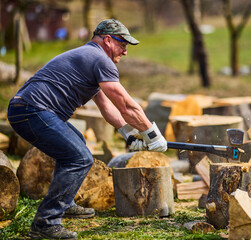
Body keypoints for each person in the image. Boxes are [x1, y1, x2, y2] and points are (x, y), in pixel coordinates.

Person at [7, 19, 167, 240]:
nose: (125, 52)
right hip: (32, 110)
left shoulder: (88, 58)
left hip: (27, 109)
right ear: (108, 40)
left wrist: (128, 135)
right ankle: (45, 222)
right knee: (79, 158)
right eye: (123, 45)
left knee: (77, 144)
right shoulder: (100, 59)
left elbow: (106, 107)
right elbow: (126, 105)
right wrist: (153, 134)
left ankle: (65, 204)